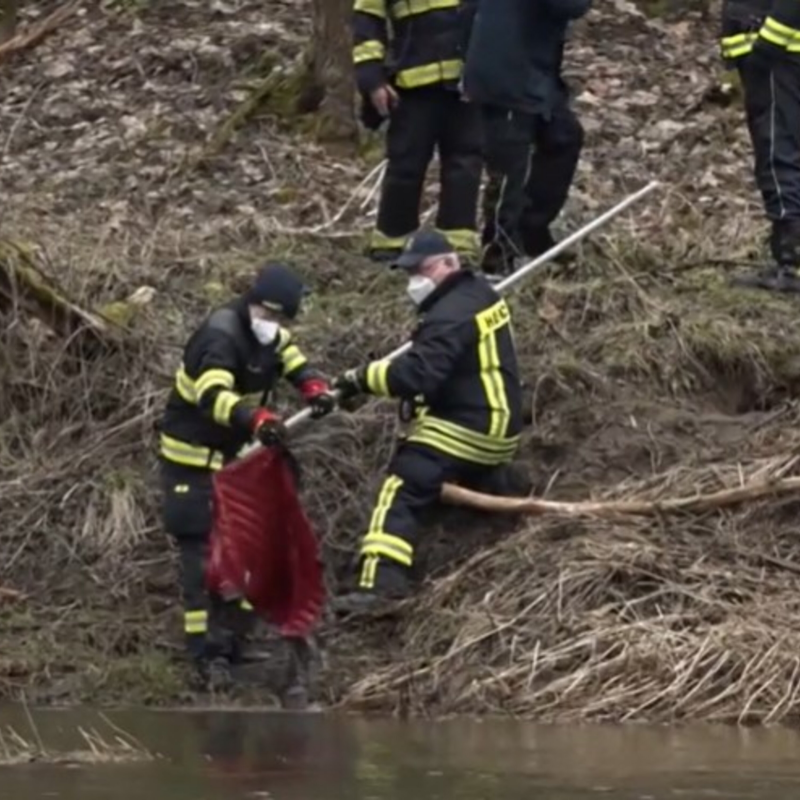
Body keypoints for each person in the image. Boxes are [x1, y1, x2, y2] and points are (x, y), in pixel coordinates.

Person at [157, 262, 336, 686]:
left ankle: (234, 642)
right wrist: (255, 418)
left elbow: (295, 363)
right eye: (269, 316)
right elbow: (213, 396)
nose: (273, 326)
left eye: (281, 319)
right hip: (191, 461)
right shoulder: (220, 336)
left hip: (234, 463)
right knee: (201, 559)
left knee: (245, 551)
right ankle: (205, 656)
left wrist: (315, 387)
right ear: (253, 304)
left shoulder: (271, 335)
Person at [332, 229, 528, 610]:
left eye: (420, 272)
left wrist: (360, 378)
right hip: (499, 426)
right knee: (432, 463)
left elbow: (417, 376)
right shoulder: (477, 294)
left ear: (449, 263)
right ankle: (495, 482)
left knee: (402, 483)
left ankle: (380, 584)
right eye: (409, 274)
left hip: (469, 427)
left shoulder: (448, 315)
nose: (414, 283)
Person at [462, 0, 591, 275]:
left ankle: (532, 232)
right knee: (509, 169)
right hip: (506, 79)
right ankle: (498, 254)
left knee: (564, 137)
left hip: (531, 75)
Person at [351, 0, 482, 264]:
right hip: (412, 86)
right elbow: (367, 19)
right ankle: (391, 241)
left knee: (465, 163)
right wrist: (371, 78)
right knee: (405, 165)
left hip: (469, 82)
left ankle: (457, 247)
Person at [722, 0, 800, 291]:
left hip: (777, 59)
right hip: (774, 56)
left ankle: (792, 264)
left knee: (777, 153)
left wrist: (767, 47)